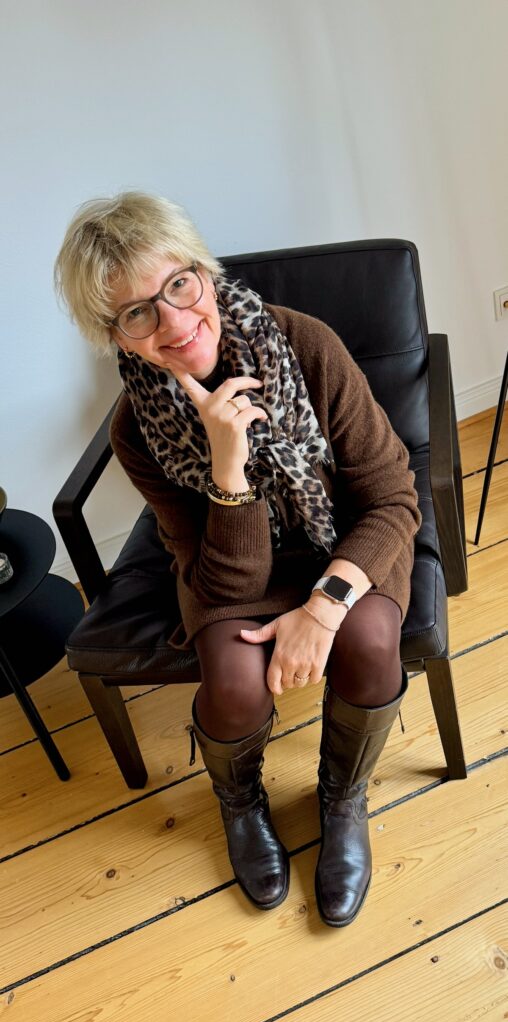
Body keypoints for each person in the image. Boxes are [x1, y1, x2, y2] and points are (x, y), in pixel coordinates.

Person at [55, 192, 421, 927]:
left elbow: (392, 498)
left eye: (179, 284)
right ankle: (241, 800)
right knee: (231, 682)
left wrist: (323, 608)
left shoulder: (308, 345)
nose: (174, 321)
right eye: (137, 312)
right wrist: (230, 471)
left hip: (343, 541)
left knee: (371, 638)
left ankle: (342, 796)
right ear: (116, 336)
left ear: (205, 272)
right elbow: (227, 583)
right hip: (233, 566)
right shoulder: (137, 428)